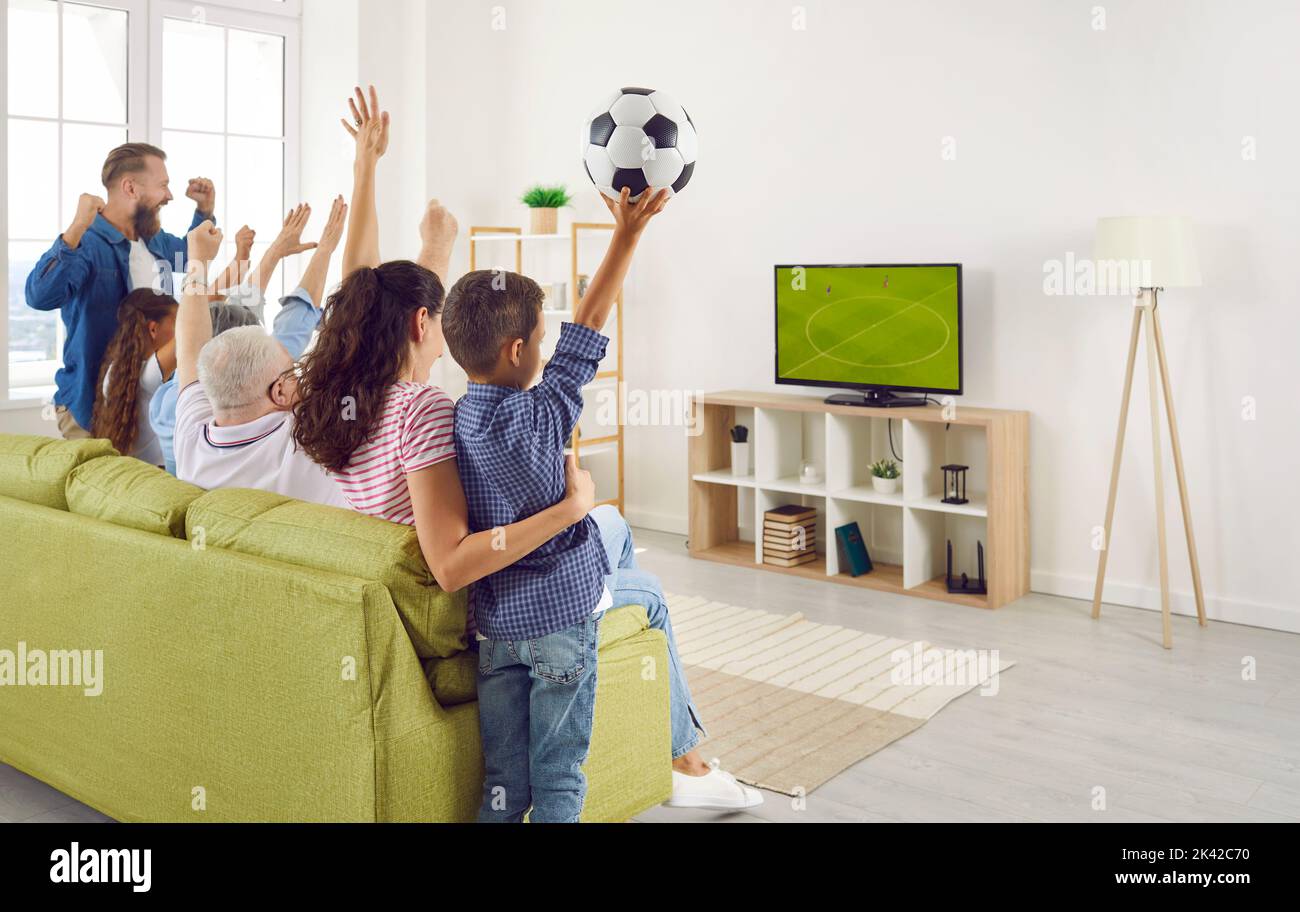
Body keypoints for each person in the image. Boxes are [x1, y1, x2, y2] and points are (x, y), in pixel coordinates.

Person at [442, 181, 760, 821]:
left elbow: (578, 332)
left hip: (497, 628)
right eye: (540, 334)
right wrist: (629, 233)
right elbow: (588, 327)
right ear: (519, 350)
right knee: (559, 775)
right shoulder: (544, 414)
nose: (547, 342)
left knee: (504, 779)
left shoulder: (457, 421)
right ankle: (689, 755)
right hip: (560, 620)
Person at [289, 85, 595, 604]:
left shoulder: (343, 390)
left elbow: (365, 287)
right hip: (468, 601)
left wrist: (367, 166)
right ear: (421, 324)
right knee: (621, 547)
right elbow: (452, 566)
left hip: (391, 582)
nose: (446, 333)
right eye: (438, 321)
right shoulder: (420, 410)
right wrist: (570, 509)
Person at [25, 142, 215, 439]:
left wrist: (204, 211)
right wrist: (76, 227)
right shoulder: (86, 243)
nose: (169, 195)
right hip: (93, 406)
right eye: (163, 185)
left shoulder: (154, 241)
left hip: (143, 400)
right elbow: (39, 296)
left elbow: (193, 253)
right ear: (130, 188)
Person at [171, 202, 351, 507]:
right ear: (279, 390)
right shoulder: (309, 441)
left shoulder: (192, 441)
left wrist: (198, 259)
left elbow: (189, 348)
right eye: (293, 373)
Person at [91, 289, 178, 465]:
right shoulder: (149, 375)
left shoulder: (116, 371)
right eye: (176, 323)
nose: (179, 330)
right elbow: (193, 322)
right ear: (153, 329)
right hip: (157, 474)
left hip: (134, 472)